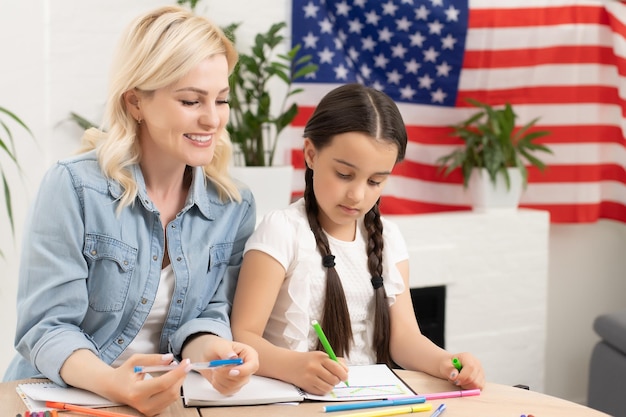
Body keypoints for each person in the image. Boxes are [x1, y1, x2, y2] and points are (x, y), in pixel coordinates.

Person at [3, 6, 259, 416]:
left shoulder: (233, 205)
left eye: (222, 99)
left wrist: (219, 356)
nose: (212, 119)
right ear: (136, 102)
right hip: (64, 400)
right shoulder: (73, 187)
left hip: (165, 403)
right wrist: (114, 384)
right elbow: (46, 330)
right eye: (191, 100)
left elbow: (209, 314)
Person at [230, 83, 485, 396]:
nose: (358, 195)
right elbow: (243, 334)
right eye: (344, 174)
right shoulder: (282, 230)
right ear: (311, 154)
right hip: (295, 401)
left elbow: (404, 338)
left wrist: (446, 360)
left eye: (375, 181)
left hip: (367, 399)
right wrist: (293, 365)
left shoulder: (388, 237)